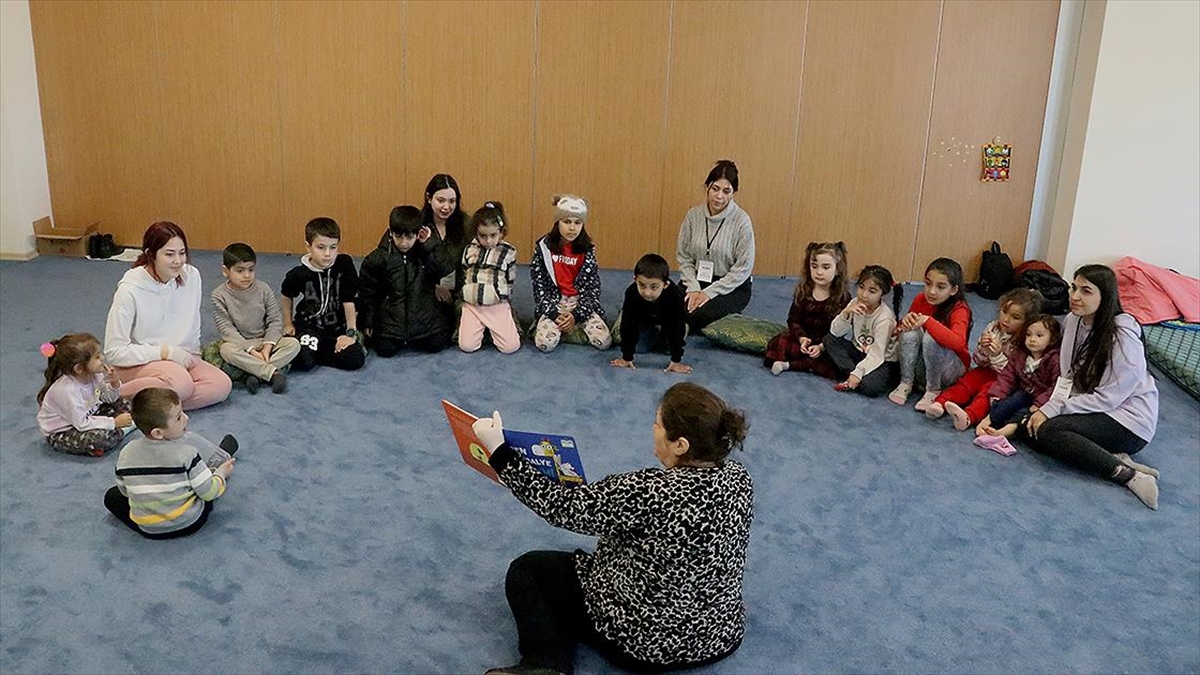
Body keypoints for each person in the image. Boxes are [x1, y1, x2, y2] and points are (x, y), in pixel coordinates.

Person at [474, 382, 753, 675]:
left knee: (528, 570)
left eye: (658, 424)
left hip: (647, 646)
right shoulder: (739, 477)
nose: (653, 429)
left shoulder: (646, 491)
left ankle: (546, 664)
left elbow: (562, 507)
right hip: (720, 635)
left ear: (680, 445)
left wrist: (500, 454)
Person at [1023, 265, 1161, 509]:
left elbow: (1109, 398)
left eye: (1086, 291)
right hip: (1094, 406)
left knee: (1050, 430)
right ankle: (1109, 455)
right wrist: (1049, 406)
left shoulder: (1122, 336)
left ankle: (1129, 476)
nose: (1075, 296)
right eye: (1074, 288)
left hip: (1129, 421)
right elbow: (1068, 375)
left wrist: (1054, 409)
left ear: (1105, 296)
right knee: (1029, 427)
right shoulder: (1073, 320)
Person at [103, 221, 232, 410]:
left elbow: (192, 327)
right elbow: (114, 352)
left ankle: (153, 406)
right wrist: (165, 353)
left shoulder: (192, 276)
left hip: (182, 359)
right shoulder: (129, 290)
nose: (178, 261)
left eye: (182, 253)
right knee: (181, 384)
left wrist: (189, 357)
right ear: (151, 254)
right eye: (169, 254)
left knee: (221, 385)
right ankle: (108, 397)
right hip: (140, 362)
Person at [103, 388, 238, 539]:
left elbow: (125, 492)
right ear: (158, 433)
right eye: (179, 417)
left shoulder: (126, 453)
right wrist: (221, 475)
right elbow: (209, 493)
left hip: (148, 529)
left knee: (112, 496)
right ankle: (219, 464)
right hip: (190, 522)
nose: (186, 418)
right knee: (205, 484)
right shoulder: (188, 453)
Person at [925, 287, 1042, 426]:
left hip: (1005, 381)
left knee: (987, 393)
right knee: (966, 382)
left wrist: (997, 355)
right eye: (1004, 311)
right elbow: (978, 361)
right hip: (985, 370)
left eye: (1015, 317)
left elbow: (1013, 374)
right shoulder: (993, 327)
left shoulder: (1025, 342)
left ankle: (968, 416)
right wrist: (984, 350)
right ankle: (940, 403)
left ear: (1027, 322)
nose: (1006, 319)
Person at [358, 205, 456, 356]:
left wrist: (429, 244)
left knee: (437, 344)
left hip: (425, 319)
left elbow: (445, 268)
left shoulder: (425, 252)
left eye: (409, 237)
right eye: (399, 237)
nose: (404, 243)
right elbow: (368, 292)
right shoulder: (378, 258)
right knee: (385, 350)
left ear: (418, 233)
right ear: (391, 232)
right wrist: (368, 321)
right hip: (391, 322)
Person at [210, 242, 301, 394]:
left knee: (293, 344)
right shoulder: (219, 295)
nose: (247, 275)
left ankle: (254, 374)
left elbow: (275, 320)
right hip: (241, 344)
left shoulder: (263, 288)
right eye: (240, 271)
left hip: (265, 341)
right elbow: (226, 330)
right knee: (226, 350)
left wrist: (267, 346)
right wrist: (251, 350)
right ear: (226, 271)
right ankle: (272, 373)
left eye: (251, 270)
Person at [676, 159, 755, 332]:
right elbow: (684, 257)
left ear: (734, 193)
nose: (719, 196)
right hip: (698, 279)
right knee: (668, 302)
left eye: (726, 191)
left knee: (699, 313)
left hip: (731, 285)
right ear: (707, 187)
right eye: (715, 189)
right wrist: (694, 288)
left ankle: (683, 327)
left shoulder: (742, 221)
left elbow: (743, 268)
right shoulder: (693, 216)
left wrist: (708, 293)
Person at [280, 217, 366, 372]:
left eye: (333, 247)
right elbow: (287, 295)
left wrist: (351, 332)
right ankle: (312, 352)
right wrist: (287, 323)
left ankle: (317, 353)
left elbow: (349, 300)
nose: (328, 254)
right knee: (304, 362)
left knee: (355, 359)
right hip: (310, 328)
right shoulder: (298, 274)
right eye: (321, 247)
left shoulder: (344, 264)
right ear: (308, 247)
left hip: (337, 329)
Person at [530, 194, 611, 352]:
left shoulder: (587, 250)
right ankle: (554, 327)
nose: (572, 228)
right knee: (545, 345)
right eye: (567, 222)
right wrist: (553, 314)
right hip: (554, 302)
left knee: (604, 341)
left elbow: (593, 289)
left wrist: (577, 315)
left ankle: (569, 328)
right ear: (557, 222)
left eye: (577, 222)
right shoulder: (543, 248)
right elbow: (539, 288)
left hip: (579, 302)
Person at [890, 257, 972, 410]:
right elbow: (898, 333)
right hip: (924, 364)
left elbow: (958, 343)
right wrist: (904, 324)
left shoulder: (959, 309)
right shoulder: (921, 299)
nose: (932, 291)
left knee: (932, 338)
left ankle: (933, 390)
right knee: (910, 332)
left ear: (953, 290)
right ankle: (906, 382)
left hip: (949, 371)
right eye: (928, 284)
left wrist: (928, 321)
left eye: (940, 287)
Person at [36, 333, 132, 457]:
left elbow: (108, 398)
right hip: (65, 430)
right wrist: (114, 422)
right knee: (100, 439)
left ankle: (118, 428)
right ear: (79, 368)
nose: (102, 358)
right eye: (97, 357)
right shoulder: (68, 391)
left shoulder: (96, 375)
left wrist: (114, 384)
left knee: (124, 403)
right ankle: (124, 429)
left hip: (89, 413)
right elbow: (81, 424)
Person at [764, 241, 850, 378]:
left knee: (837, 362)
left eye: (826, 267)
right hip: (804, 339)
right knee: (780, 343)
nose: (819, 272)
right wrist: (802, 338)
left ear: (837, 269)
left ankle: (788, 365)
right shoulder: (804, 291)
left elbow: (839, 331)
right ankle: (802, 364)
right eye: (814, 266)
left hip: (826, 343)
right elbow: (793, 320)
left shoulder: (843, 297)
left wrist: (821, 347)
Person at [973, 314, 1062, 439]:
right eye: (1028, 335)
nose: (1032, 339)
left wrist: (1040, 403)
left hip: (1041, 398)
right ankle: (987, 421)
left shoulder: (1055, 360)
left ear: (1052, 339)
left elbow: (1056, 386)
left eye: (1039, 335)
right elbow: (1007, 375)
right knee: (1008, 403)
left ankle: (1004, 432)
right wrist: (998, 393)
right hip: (1023, 392)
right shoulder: (1020, 354)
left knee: (1024, 414)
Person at [822, 265, 904, 398]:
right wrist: (846, 313)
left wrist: (858, 372)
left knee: (870, 388)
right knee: (829, 340)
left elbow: (877, 354)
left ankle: (854, 376)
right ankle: (852, 375)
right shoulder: (855, 302)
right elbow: (835, 332)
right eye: (861, 287)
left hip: (882, 359)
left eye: (872, 291)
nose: (864, 295)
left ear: (882, 294)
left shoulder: (885, 319)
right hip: (860, 351)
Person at [610, 253, 691, 374]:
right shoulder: (631, 293)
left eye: (654, 287)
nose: (647, 293)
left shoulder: (675, 295)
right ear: (635, 280)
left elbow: (676, 327)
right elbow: (628, 325)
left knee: (669, 347)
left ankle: (664, 333)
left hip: (668, 320)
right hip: (643, 319)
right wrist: (626, 357)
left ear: (665, 284)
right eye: (642, 285)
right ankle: (647, 328)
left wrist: (676, 360)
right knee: (640, 348)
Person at [458, 202, 521, 354]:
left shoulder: (508, 252)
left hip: (496, 305)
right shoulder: (469, 249)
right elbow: (465, 271)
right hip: (472, 305)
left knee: (510, 347)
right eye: (483, 236)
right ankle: (483, 330)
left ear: (501, 233)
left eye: (493, 235)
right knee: (467, 346)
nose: (488, 241)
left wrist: (501, 295)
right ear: (476, 232)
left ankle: (506, 320)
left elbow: (510, 278)